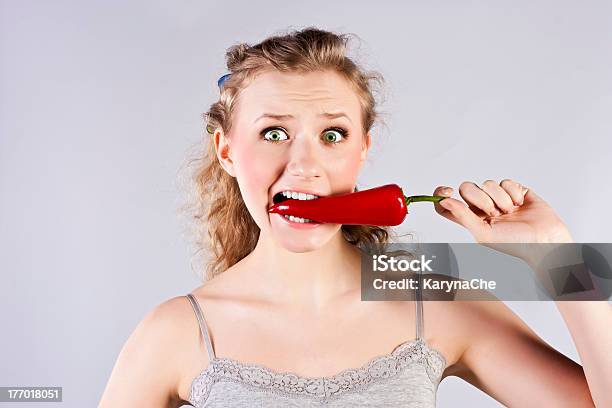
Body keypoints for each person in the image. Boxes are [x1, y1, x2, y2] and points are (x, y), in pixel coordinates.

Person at [99, 27, 610, 407]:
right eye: (273, 133)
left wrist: (559, 255)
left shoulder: (433, 297)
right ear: (227, 150)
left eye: (333, 134)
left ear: (363, 149)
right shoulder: (178, 330)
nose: (303, 165)